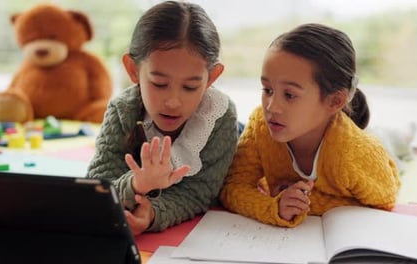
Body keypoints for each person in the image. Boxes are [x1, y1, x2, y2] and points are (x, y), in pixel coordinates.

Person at [220, 23, 401, 227]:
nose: (271, 107)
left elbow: (386, 201)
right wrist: (274, 208)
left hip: (374, 157)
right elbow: (233, 187)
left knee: (394, 144)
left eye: (289, 95)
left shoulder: (354, 154)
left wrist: (306, 204)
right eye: (267, 90)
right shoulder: (261, 125)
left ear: (334, 101)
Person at [87, 1, 238, 234]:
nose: (173, 101)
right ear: (133, 70)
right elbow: (97, 187)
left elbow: (200, 192)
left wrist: (154, 213)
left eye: (190, 87)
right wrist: (138, 183)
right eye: (159, 84)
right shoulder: (123, 110)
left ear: (211, 77)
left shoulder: (219, 117)